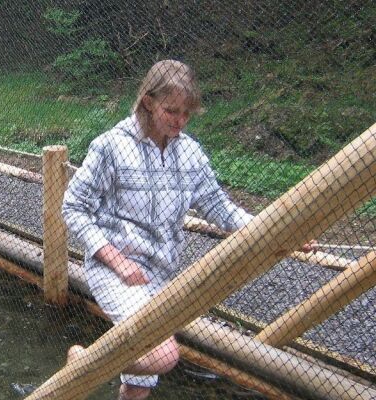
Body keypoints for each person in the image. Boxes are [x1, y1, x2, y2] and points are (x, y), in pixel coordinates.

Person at [62, 60, 316, 400]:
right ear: (148, 101)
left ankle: (92, 365)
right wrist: (116, 259)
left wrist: (282, 234)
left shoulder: (190, 153)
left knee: (139, 384)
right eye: (171, 111)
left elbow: (221, 208)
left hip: (162, 276)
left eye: (187, 114)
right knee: (162, 355)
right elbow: (73, 207)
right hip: (117, 271)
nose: (180, 121)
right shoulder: (110, 146)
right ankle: (84, 362)